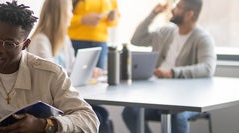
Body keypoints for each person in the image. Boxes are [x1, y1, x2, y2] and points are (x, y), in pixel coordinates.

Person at [0, 1, 99, 132]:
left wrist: (45, 125)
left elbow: (90, 120)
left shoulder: (51, 75)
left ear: (25, 44)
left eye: (9, 44)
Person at [122, 0, 216, 132]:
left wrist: (172, 72)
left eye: (178, 7)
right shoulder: (165, 32)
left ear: (189, 14)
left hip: (187, 101)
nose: (173, 9)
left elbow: (207, 68)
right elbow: (136, 39)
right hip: (159, 96)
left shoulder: (202, 38)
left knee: (177, 116)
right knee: (131, 112)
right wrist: (153, 14)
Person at [27, 0, 112, 132]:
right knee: (98, 116)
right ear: (60, 14)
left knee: (102, 113)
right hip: (50, 103)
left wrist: (88, 72)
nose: (72, 15)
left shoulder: (64, 39)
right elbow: (51, 78)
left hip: (61, 98)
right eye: (70, 11)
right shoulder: (40, 40)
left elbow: (71, 68)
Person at [68, 0, 120, 70]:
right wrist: (82, 19)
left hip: (100, 43)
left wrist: (113, 18)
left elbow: (115, 20)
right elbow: (60, 17)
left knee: (98, 77)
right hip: (76, 41)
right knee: (73, 74)